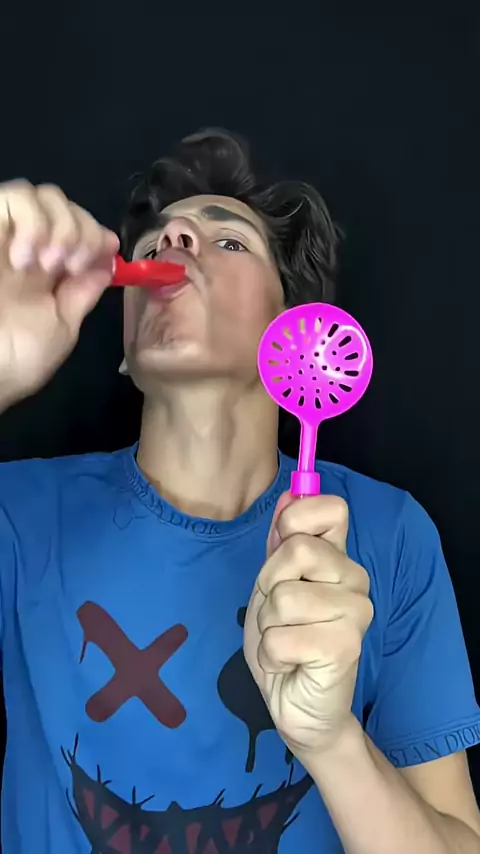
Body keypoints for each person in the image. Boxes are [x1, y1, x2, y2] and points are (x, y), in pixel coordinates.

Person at [0, 128, 479, 854]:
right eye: (155, 241)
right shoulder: (20, 514)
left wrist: (331, 739)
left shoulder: (390, 534)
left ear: (297, 334)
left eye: (228, 241)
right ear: (125, 352)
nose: (174, 240)